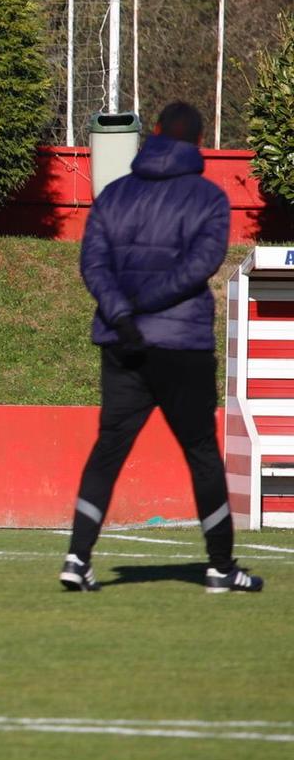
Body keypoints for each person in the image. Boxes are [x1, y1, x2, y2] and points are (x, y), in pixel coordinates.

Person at [61, 102, 263, 594]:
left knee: (108, 449)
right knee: (201, 453)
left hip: (122, 343)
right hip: (182, 346)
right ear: (197, 144)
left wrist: (125, 315)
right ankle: (220, 566)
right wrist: (146, 308)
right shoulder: (209, 199)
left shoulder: (113, 195)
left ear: (151, 135)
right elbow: (201, 265)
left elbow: (94, 265)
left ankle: (77, 558)